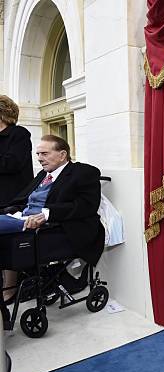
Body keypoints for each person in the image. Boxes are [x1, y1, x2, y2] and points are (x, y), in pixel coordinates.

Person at [0, 135, 105, 265]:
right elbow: (23, 200)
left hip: (55, 228)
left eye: (44, 154)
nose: (39, 158)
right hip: (22, 219)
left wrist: (46, 214)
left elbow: (87, 206)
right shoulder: (43, 174)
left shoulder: (83, 172)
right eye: (38, 154)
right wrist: (13, 211)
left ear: (62, 155)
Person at [0, 95, 33, 300]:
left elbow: (12, 164)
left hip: (12, 199)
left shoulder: (19, 134)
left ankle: (10, 289)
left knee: (9, 243)